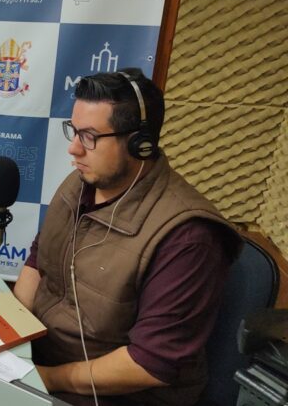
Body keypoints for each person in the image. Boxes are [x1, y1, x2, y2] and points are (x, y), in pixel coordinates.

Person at [13, 68, 241, 405]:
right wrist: (10, 336)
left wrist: (46, 378)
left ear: (140, 144)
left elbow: (150, 363)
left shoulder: (188, 238)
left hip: (116, 393)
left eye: (89, 136)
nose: (73, 149)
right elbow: (39, 259)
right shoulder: (81, 182)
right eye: (74, 131)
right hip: (44, 359)